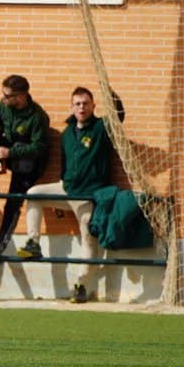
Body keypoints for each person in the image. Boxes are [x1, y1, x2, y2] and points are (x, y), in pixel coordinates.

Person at [16, 86, 117, 303]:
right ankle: (33, 243)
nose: (81, 107)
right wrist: (60, 200)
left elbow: (119, 116)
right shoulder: (66, 134)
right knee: (33, 193)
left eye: (86, 103)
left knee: (89, 241)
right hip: (67, 188)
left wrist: (112, 94)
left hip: (88, 195)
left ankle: (81, 285)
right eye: (77, 104)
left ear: (93, 106)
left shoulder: (101, 128)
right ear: (71, 107)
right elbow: (64, 166)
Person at [0, 74, 50, 257]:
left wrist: (9, 153)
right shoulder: (3, 106)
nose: (3, 99)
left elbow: (39, 148)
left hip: (31, 163)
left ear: (20, 97)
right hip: (12, 152)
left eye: (7, 96)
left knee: (13, 202)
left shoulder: (37, 116)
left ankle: (0, 243)